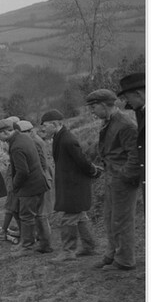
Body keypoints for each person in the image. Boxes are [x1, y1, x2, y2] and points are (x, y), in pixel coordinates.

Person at [86, 88, 141, 271]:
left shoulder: (125, 124)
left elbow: (135, 154)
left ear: (103, 105)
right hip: (113, 176)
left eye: (93, 107)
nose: (91, 111)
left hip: (123, 179)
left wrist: (125, 175)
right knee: (110, 217)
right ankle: (111, 254)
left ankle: (125, 259)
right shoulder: (108, 122)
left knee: (122, 220)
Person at [39, 109, 100, 262]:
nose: (42, 129)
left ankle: (68, 251)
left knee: (68, 218)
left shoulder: (67, 140)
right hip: (71, 184)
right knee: (80, 216)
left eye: (45, 126)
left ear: (54, 124)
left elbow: (82, 161)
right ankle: (89, 246)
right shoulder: (60, 138)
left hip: (75, 185)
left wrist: (93, 171)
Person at [0, 118, 53, 254]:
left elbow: (23, 171)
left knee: (26, 217)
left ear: (6, 132)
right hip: (39, 183)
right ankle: (45, 245)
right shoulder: (24, 139)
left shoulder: (16, 146)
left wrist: (15, 185)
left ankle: (27, 246)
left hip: (29, 186)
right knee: (39, 216)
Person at [18, 120, 54, 248]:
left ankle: (45, 244)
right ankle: (41, 240)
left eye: (22, 133)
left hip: (42, 178)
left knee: (41, 213)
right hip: (42, 178)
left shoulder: (35, 142)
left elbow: (42, 163)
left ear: (30, 131)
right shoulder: (33, 140)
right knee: (39, 213)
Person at [118, 72, 146, 204]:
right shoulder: (140, 112)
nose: (127, 102)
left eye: (127, 98)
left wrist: (126, 173)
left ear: (138, 94)